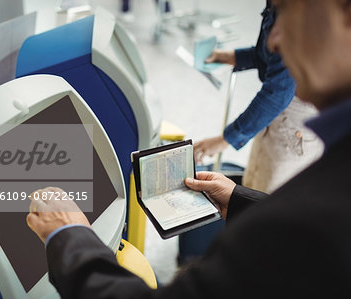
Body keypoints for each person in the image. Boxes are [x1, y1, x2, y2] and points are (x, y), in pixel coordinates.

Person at [26, 0, 351, 297]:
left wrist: (69, 236)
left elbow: (302, 232)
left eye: (286, 12)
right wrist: (241, 201)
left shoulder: (306, 219)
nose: (273, 40)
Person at [194, 0, 323, 193]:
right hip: (278, 110)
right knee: (253, 182)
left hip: (294, 116)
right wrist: (231, 56)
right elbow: (271, 55)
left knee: (267, 196)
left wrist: (223, 140)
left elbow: (278, 92)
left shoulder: (298, 11)